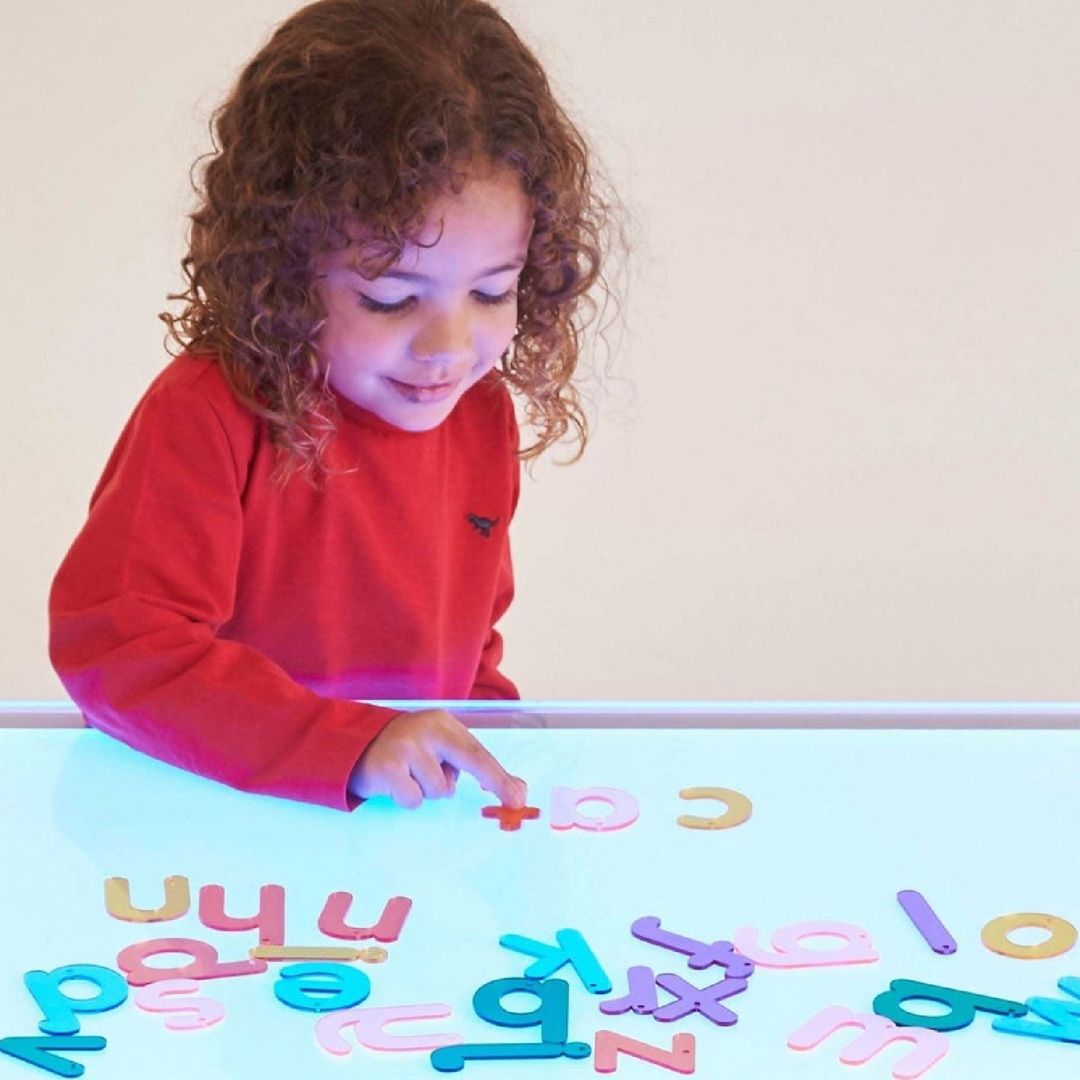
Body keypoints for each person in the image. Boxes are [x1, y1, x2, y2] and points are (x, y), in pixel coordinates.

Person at [47, 0, 628, 813]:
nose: (450, 347)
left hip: (385, 834)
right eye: (391, 299)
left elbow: (464, 649)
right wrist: (347, 745)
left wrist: (495, 732)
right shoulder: (209, 410)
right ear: (284, 273)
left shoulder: (478, 414)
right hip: (216, 828)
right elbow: (121, 648)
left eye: (494, 291)